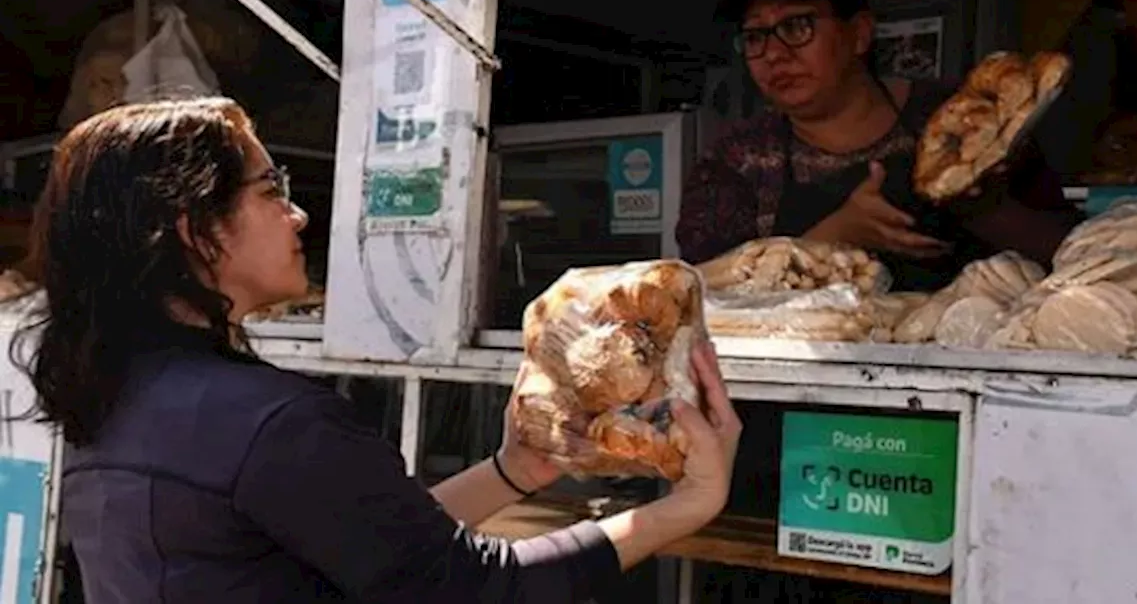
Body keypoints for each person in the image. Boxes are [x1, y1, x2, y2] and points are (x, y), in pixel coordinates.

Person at [9, 97, 742, 603]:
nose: (297, 213)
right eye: (270, 191)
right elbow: (481, 590)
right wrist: (692, 502)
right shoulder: (273, 423)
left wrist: (511, 472)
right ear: (196, 229)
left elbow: (371, 544)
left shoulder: (119, 396)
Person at [678, 0, 1083, 293]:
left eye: (797, 26)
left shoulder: (963, 118)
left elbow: (1078, 256)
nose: (774, 53)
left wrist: (984, 209)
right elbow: (704, 298)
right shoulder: (736, 162)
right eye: (755, 37)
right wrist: (836, 235)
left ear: (859, 34)